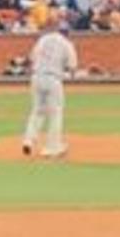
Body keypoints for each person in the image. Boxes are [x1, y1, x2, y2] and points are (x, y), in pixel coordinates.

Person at [23, 29, 80, 159]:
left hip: (36, 77)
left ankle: (29, 140)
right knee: (56, 113)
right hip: (53, 79)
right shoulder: (67, 44)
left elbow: (32, 57)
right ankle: (52, 147)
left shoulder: (43, 39)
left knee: (37, 111)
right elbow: (72, 67)